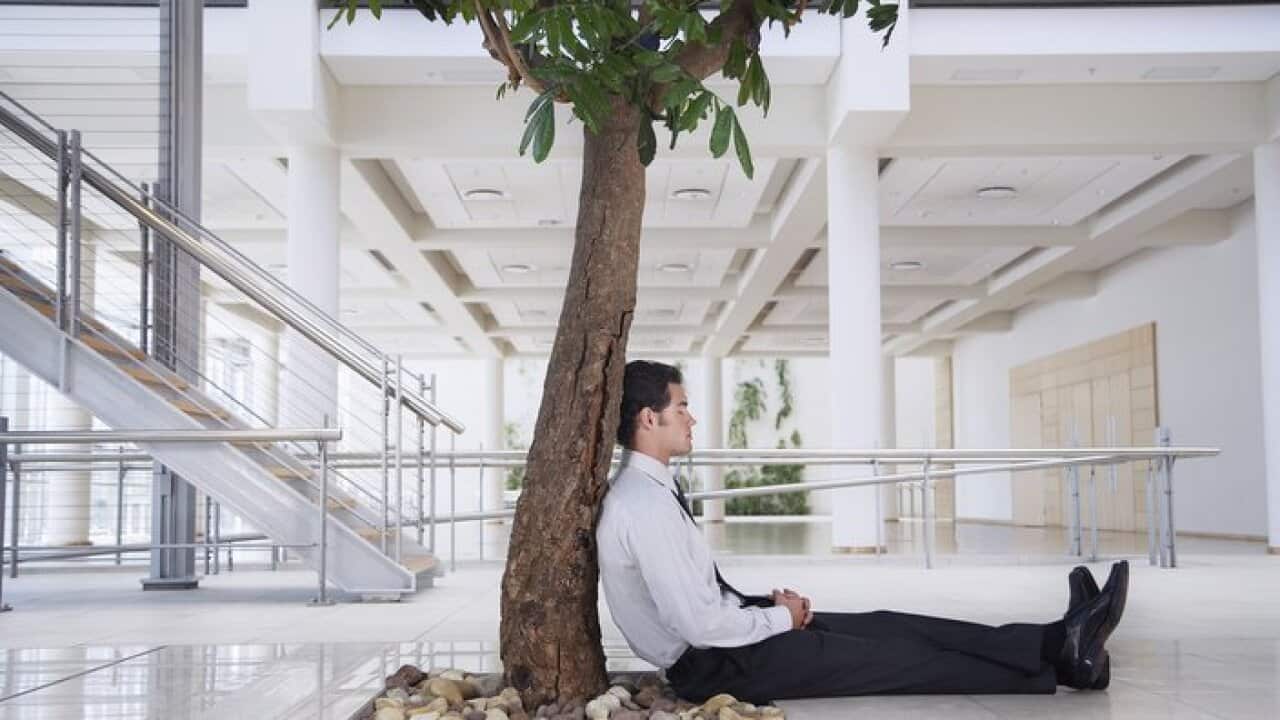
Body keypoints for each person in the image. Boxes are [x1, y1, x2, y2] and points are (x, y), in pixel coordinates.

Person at [596, 360, 1129, 703]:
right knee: (903, 661)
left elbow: (701, 601)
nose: (693, 419)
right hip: (718, 667)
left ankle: (1062, 639)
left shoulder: (655, 490)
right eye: (682, 407)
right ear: (649, 419)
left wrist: (767, 608)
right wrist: (779, 618)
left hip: (732, 641)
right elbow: (694, 624)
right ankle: (1067, 667)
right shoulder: (640, 505)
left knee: (893, 625)